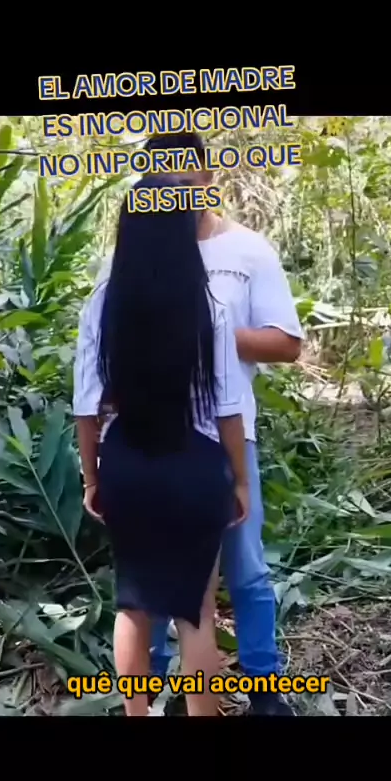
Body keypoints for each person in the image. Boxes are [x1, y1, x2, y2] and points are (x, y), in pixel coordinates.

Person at [73, 173, 249, 717]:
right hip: (195, 466)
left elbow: (86, 407)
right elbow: (228, 409)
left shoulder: (101, 305)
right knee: (196, 613)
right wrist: (241, 481)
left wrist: (92, 478)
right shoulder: (210, 307)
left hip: (126, 463)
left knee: (133, 606)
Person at [141, 132, 304, 716]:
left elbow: (286, 343)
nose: (175, 194)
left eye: (185, 181)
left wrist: (206, 334)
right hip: (152, 437)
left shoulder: (248, 251)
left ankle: (265, 685)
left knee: (246, 567)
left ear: (209, 179)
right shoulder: (137, 253)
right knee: (153, 568)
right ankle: (152, 680)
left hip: (228, 435)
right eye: (163, 184)